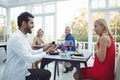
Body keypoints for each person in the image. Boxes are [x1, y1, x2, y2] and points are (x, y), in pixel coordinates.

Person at [2, 12, 57, 80]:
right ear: (24, 23)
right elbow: (30, 59)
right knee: (46, 74)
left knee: (46, 73)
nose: (33, 25)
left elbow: (30, 52)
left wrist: (44, 49)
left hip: (23, 71)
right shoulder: (16, 38)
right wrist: (46, 52)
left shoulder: (23, 37)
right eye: (31, 23)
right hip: (15, 75)